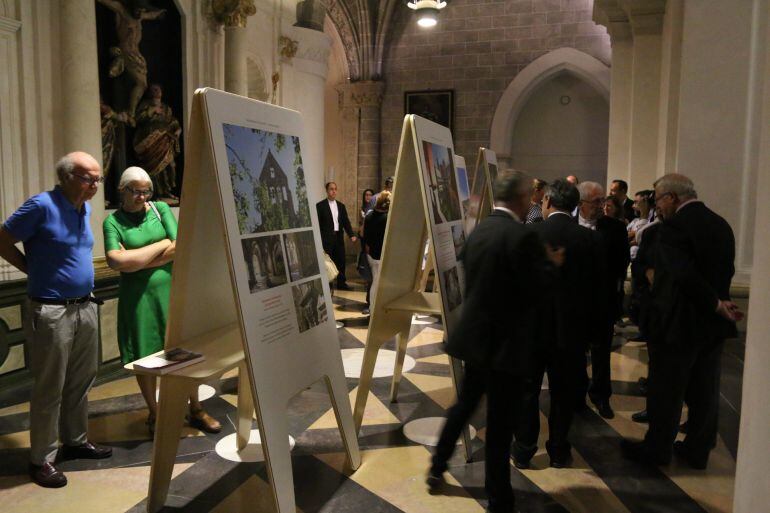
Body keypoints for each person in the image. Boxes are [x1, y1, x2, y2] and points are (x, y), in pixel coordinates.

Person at [429, 171, 558, 513]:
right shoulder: (522, 235)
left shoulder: (478, 230)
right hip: (506, 345)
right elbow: (536, 289)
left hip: (475, 339)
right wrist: (552, 265)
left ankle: (436, 467)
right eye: (529, 196)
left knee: (462, 408)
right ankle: (499, 498)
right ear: (520, 199)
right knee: (500, 426)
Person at [0, 152, 112, 488]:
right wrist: (31, 269)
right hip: (51, 311)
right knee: (50, 387)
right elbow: (2, 239)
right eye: (87, 178)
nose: (94, 185)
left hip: (85, 305)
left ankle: (75, 441)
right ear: (66, 177)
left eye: (97, 179)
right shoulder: (41, 206)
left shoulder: (84, 208)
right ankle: (41, 460)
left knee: (81, 379)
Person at [621, 174, 742, 469]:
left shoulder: (674, 227)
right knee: (705, 390)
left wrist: (712, 302)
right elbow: (726, 270)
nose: (657, 207)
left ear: (672, 197)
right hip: (712, 324)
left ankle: (657, 449)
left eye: (659, 200)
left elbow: (682, 274)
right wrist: (718, 303)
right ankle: (697, 450)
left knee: (667, 389)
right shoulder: (721, 223)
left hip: (678, 325)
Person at [103, 167, 221, 434]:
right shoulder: (113, 222)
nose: (142, 197)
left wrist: (136, 259)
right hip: (138, 301)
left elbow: (181, 245)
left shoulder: (160, 209)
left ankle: (196, 408)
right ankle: (156, 414)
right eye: (136, 191)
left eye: (146, 191)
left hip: (170, 294)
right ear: (122, 191)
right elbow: (116, 261)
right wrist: (161, 245)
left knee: (183, 352)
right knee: (144, 357)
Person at [530, 179, 604, 467]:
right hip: (572, 331)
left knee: (528, 390)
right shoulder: (591, 240)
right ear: (575, 205)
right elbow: (599, 290)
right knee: (563, 392)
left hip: (534, 329)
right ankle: (559, 449)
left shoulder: (531, 233)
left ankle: (524, 447)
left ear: (547, 201)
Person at [576, 181, 630, 419]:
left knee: (601, 352)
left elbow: (622, 262)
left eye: (603, 201)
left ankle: (601, 396)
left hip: (603, 300)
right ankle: (576, 394)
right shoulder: (567, 224)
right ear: (581, 204)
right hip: (574, 302)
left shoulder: (615, 228)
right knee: (575, 352)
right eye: (595, 202)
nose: (602, 206)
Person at [133, 83, 182, 200]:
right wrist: (151, 110)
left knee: (170, 165)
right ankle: (156, 193)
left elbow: (173, 121)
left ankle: (166, 191)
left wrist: (178, 130)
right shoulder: (145, 105)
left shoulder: (166, 108)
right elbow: (137, 119)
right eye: (154, 90)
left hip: (165, 140)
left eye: (158, 89)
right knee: (153, 167)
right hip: (150, 140)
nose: (156, 91)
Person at [316, 182, 357, 290]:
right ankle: (328, 285)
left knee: (341, 261)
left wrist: (351, 235)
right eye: (331, 189)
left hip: (338, 238)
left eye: (335, 189)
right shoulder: (320, 206)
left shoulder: (341, 206)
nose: (333, 191)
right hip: (326, 239)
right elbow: (318, 224)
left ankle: (341, 283)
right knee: (327, 263)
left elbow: (345, 222)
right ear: (327, 190)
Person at [361, 191, 390, 310]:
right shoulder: (387, 217)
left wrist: (367, 247)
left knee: (375, 282)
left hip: (371, 254)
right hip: (382, 254)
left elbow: (363, 234)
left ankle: (373, 307)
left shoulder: (369, 216)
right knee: (379, 283)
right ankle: (375, 309)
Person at [359, 189, 375, 313]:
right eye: (367, 195)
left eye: (370, 195)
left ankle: (372, 301)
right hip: (367, 241)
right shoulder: (365, 210)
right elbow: (362, 230)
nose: (368, 197)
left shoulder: (373, 211)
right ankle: (370, 301)